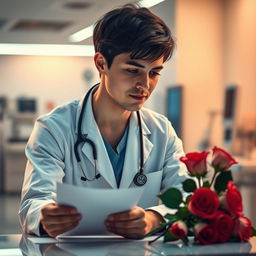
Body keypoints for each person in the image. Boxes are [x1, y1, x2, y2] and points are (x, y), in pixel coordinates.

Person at [19, 3, 187, 238]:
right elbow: (34, 204)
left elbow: (186, 197)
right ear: (101, 64)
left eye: (154, 73)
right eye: (132, 70)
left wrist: (153, 217)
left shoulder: (161, 131)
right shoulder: (54, 128)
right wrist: (46, 217)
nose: (145, 85)